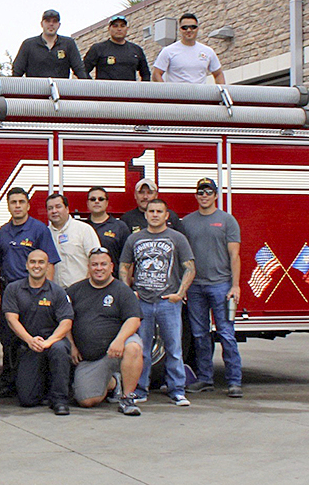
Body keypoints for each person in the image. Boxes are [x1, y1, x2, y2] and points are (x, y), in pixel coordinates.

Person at [120, 198, 196, 406]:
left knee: (174, 348)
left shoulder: (177, 238)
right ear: (146, 215)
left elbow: (190, 267)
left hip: (168, 302)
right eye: (151, 211)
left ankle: (177, 390)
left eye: (159, 211)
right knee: (142, 349)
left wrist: (179, 294)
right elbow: (124, 266)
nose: (154, 214)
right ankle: (140, 389)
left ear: (166, 215)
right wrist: (129, 293)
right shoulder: (135, 239)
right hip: (142, 302)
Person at [0, 186, 60, 397]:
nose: (18, 206)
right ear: (9, 206)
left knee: (33, 336)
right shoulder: (3, 230)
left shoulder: (39, 229)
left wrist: (45, 292)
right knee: (8, 338)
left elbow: (49, 262)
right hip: (9, 291)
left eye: (21, 202)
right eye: (13, 202)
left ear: (28, 205)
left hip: (33, 290)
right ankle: (9, 381)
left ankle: (38, 381)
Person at [181, 178, 243, 398]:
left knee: (226, 334)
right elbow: (183, 257)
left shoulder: (227, 221)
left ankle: (234, 381)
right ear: (196, 195)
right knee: (199, 335)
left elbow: (234, 255)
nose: (204, 195)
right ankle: (205, 379)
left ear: (216, 195)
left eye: (208, 192)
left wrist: (235, 286)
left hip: (221, 286)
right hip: (196, 287)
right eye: (200, 192)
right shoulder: (187, 222)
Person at [67, 248, 144, 416]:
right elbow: (65, 320)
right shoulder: (75, 291)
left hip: (117, 350)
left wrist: (119, 340)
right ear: (88, 267)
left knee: (134, 347)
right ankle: (113, 382)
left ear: (111, 267)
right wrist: (72, 345)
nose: (99, 268)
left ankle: (127, 398)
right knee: (86, 400)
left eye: (103, 264)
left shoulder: (123, 291)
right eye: (94, 265)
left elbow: (134, 319)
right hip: (91, 358)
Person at [1, 249, 74, 415]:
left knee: (59, 349)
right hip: (27, 344)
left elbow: (66, 322)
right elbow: (12, 320)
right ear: (26, 265)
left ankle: (60, 400)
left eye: (41, 262)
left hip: (52, 341)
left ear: (48, 266)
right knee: (27, 400)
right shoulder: (13, 289)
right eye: (33, 262)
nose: (37, 266)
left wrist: (49, 341)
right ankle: (42, 387)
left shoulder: (57, 292)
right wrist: (29, 340)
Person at [12, 9, 88, 79]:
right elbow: (17, 72)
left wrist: (86, 87)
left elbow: (79, 69)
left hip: (60, 91)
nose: (51, 24)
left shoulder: (68, 44)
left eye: (54, 21)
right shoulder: (28, 44)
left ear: (59, 25)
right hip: (35, 91)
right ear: (42, 24)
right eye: (48, 21)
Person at [45, 192, 100, 288]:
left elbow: (96, 260)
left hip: (81, 290)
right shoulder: (44, 233)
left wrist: (88, 289)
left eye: (58, 207)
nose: (54, 211)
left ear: (67, 209)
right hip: (55, 293)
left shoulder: (84, 230)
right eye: (50, 208)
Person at [152, 13, 225, 84]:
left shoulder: (208, 51)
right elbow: (156, 74)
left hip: (200, 95)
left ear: (197, 29)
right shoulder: (168, 51)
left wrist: (221, 91)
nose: (189, 30)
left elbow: (218, 74)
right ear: (180, 29)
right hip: (176, 95)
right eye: (185, 27)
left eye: (193, 27)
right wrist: (166, 92)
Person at [83, 15, 151, 81]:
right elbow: (82, 71)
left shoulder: (136, 50)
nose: (119, 29)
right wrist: (94, 86)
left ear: (127, 29)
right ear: (109, 29)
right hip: (105, 91)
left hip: (129, 91)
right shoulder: (98, 48)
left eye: (122, 26)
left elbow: (146, 74)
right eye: (115, 26)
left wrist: (141, 90)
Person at [85, 186, 131, 264]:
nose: (97, 201)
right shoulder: (82, 227)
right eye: (93, 199)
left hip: (113, 275)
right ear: (88, 203)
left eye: (101, 199)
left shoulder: (120, 227)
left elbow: (128, 259)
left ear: (107, 203)